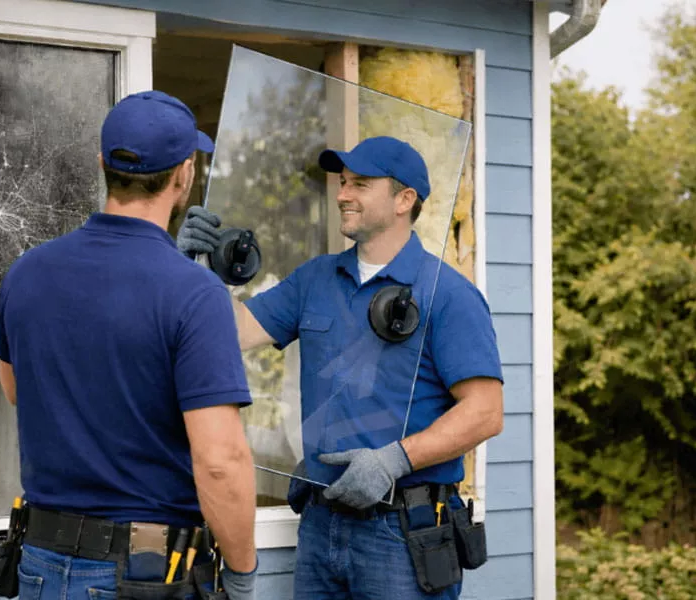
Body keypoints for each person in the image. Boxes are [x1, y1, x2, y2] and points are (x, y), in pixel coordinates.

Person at [177, 135, 504, 600]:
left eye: (361, 185)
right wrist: (199, 274)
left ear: (404, 200)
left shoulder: (447, 293)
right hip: (319, 525)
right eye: (343, 182)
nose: (343, 194)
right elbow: (230, 336)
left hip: (401, 534)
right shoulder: (315, 278)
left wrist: (395, 460)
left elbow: (486, 411)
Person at [0, 91, 257, 600]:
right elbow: (220, 460)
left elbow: (17, 390)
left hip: (39, 565)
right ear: (185, 175)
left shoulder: (26, 272)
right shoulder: (193, 291)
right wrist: (243, 577)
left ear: (102, 165)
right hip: (142, 577)